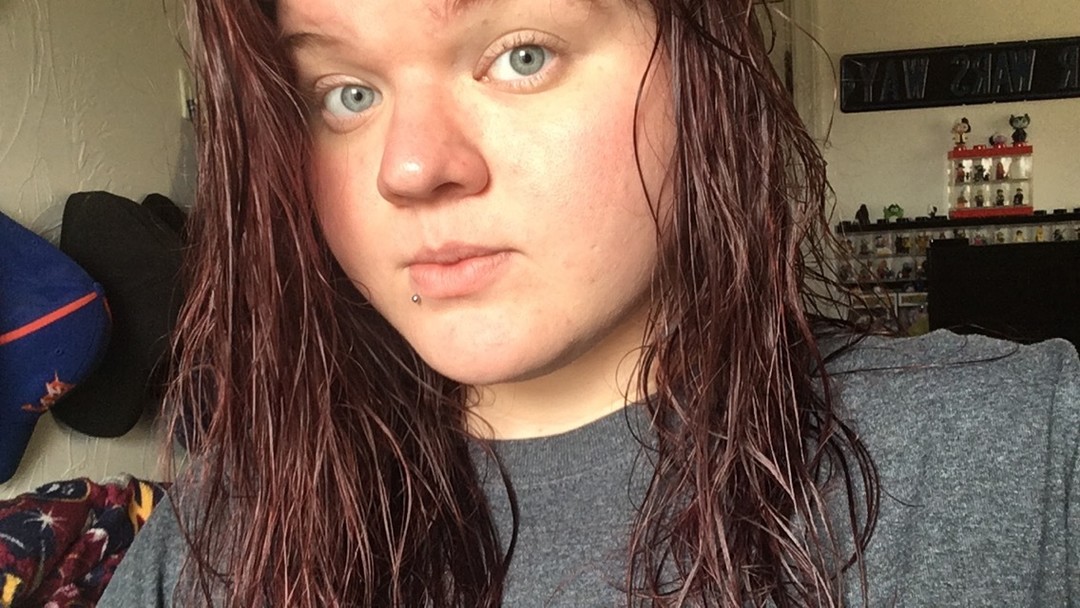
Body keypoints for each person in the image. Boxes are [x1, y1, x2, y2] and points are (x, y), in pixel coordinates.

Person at [100, 0, 1080, 605]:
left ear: (701, 64)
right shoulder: (214, 541)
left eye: (522, 55)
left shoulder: (1022, 450)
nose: (411, 167)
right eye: (346, 93)